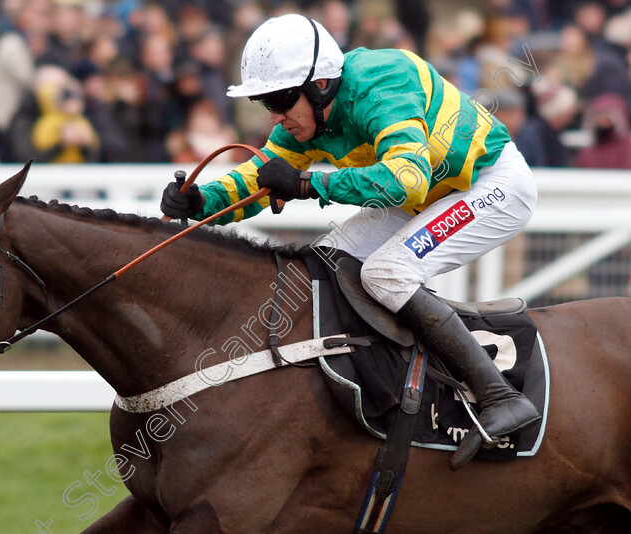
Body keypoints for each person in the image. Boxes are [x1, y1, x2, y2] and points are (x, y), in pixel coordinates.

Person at [160, 14, 540, 470]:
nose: (276, 116)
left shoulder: (383, 82)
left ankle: (499, 396)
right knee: (326, 262)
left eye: (280, 100)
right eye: (266, 104)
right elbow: (259, 178)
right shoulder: (307, 117)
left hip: (488, 184)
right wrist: (202, 200)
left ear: (321, 85)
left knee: (387, 272)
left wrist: (308, 185)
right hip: (428, 193)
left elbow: (406, 179)